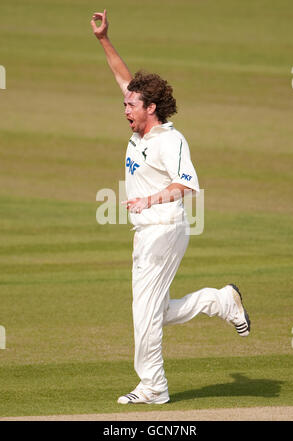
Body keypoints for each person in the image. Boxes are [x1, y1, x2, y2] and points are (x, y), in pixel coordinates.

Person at [91, 10, 251, 405]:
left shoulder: (169, 141)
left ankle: (154, 387)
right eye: (126, 103)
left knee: (143, 313)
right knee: (156, 310)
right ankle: (221, 301)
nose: (125, 108)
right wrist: (104, 40)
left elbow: (186, 185)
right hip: (148, 230)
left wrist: (148, 199)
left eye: (132, 105)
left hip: (163, 227)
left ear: (151, 108)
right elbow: (121, 76)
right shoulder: (140, 124)